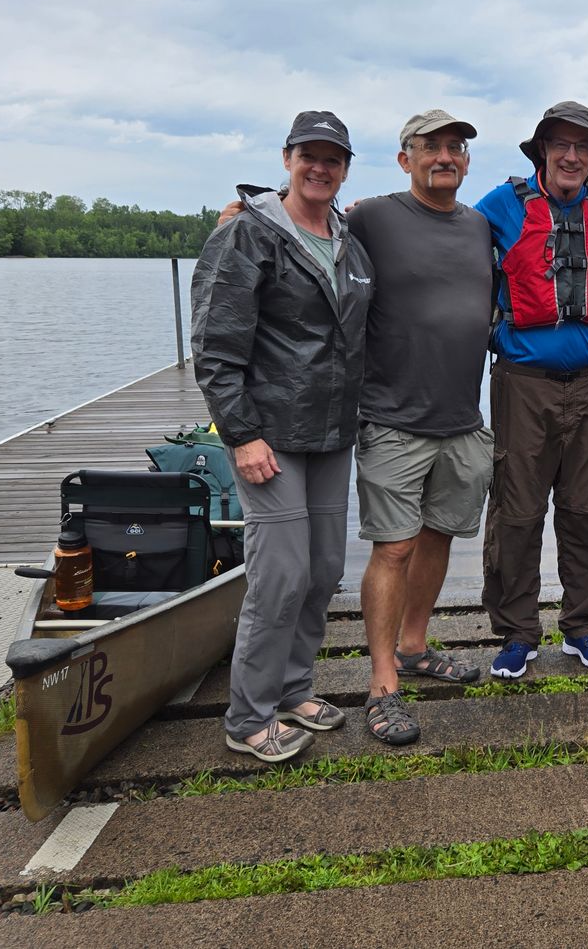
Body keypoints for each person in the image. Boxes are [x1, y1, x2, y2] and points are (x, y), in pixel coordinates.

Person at [191, 110, 373, 762]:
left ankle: (294, 688)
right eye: (309, 155)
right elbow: (215, 346)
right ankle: (248, 716)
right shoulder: (248, 233)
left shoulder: (349, 240)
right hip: (267, 435)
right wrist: (240, 434)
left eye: (333, 158)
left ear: (345, 168)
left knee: (323, 570)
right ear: (287, 159)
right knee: (281, 574)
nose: (320, 167)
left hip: (331, 433)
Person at [348, 109, 494, 745]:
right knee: (394, 547)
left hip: (462, 419)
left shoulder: (479, 224)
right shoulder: (373, 217)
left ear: (466, 161)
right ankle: (383, 684)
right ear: (404, 158)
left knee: (438, 536)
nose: (445, 156)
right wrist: (246, 215)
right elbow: (305, 223)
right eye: (430, 146)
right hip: (393, 418)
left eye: (455, 147)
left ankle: (414, 646)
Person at [476, 102, 588, 678]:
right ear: (541, 150)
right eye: (561, 144)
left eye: (583, 147)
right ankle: (518, 632)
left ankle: (583, 626)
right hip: (523, 386)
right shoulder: (499, 206)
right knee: (517, 512)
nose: (572, 156)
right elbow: (441, 238)